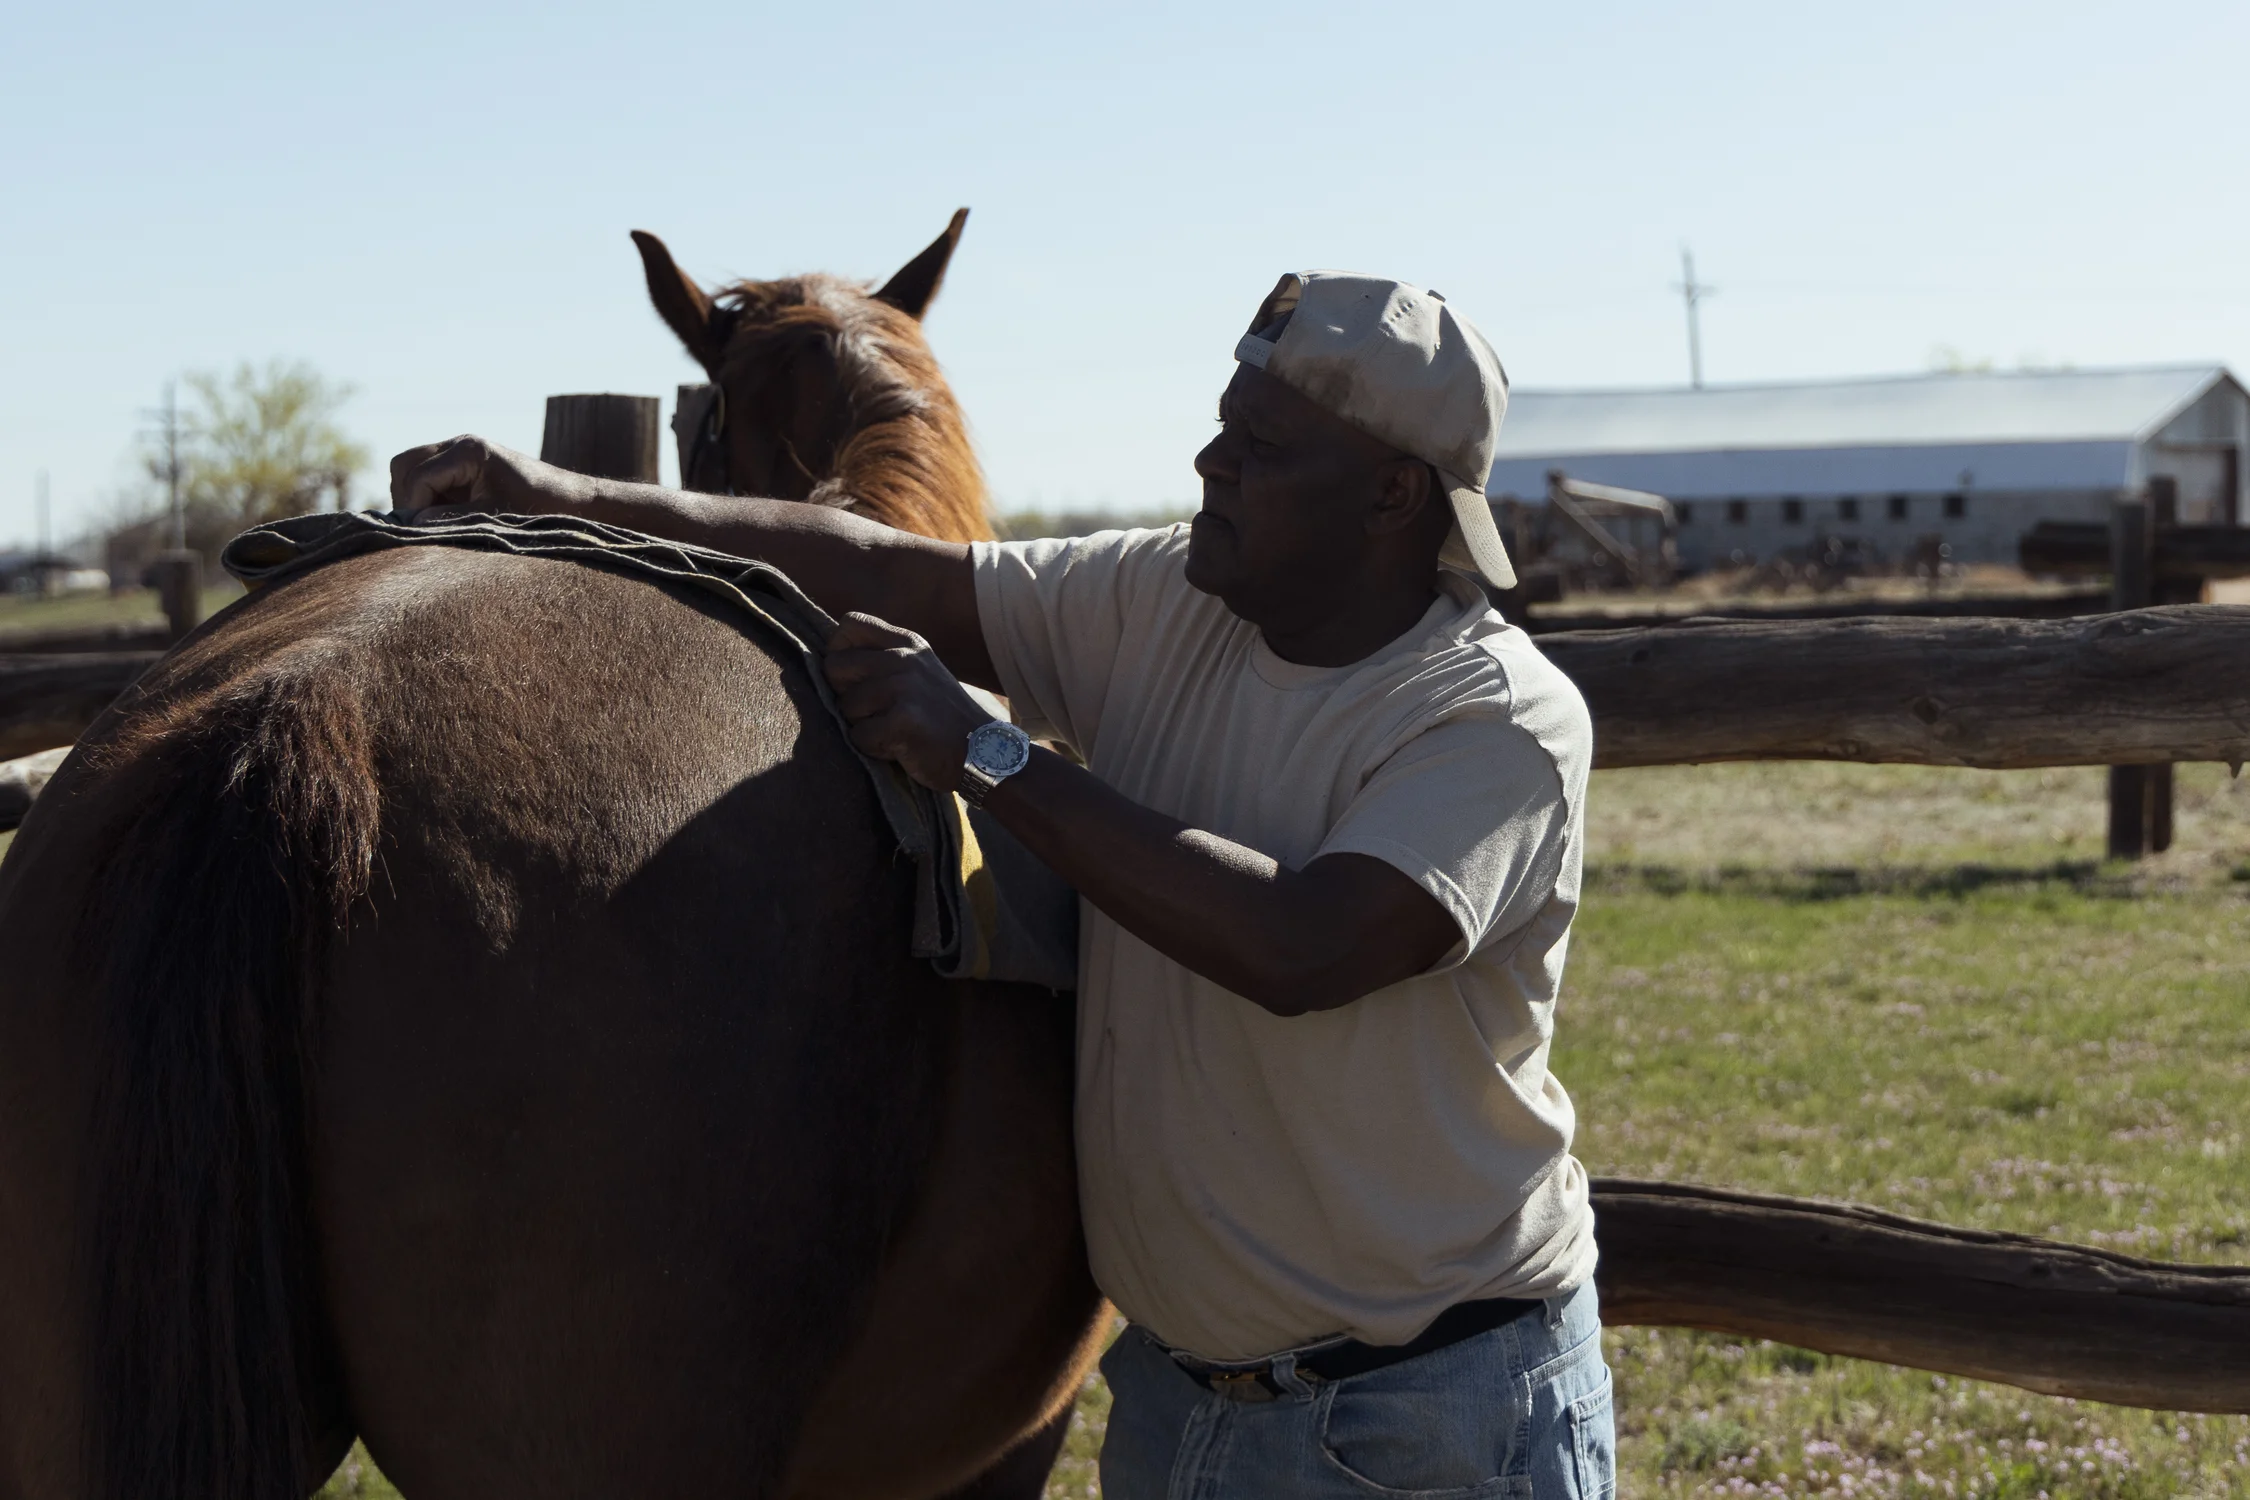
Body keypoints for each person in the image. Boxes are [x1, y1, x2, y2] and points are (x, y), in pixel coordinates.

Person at [393, 270, 1611, 1498]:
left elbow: (1301, 946)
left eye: (1263, 446)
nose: (1208, 461)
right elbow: (895, 571)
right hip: (1189, 1395)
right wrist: (559, 501)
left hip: (1422, 1418)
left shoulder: (1492, 722)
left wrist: (987, 753)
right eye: (1223, 425)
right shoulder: (1171, 601)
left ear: (1393, 495)